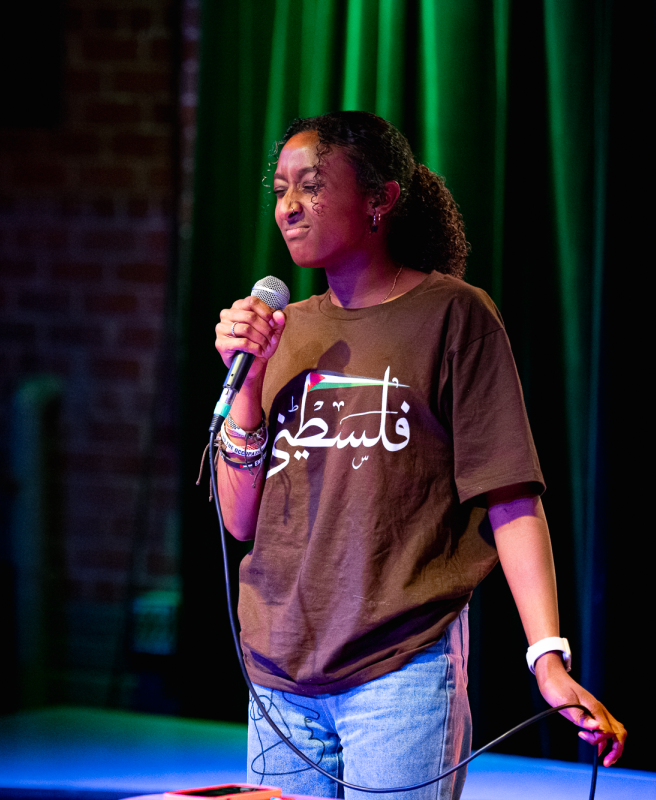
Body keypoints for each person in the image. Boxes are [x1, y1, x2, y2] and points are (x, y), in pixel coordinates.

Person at [211, 111, 626, 800]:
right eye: (279, 188)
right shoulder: (282, 330)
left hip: (396, 673)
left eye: (310, 185)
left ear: (380, 198)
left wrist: (547, 658)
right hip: (279, 679)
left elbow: (510, 496)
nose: (287, 206)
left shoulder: (453, 315)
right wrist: (248, 386)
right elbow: (240, 519)